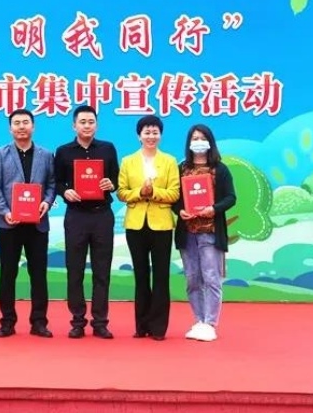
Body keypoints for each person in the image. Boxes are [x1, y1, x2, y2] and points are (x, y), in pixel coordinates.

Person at [53, 105, 119, 340]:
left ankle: (100, 322)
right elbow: (56, 181)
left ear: (96, 125)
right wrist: (65, 191)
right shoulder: (63, 152)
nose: (87, 125)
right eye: (82, 122)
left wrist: (111, 184)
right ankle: (78, 321)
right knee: (75, 271)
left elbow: (116, 178)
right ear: (74, 125)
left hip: (102, 215)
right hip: (76, 216)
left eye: (91, 122)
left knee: (102, 271)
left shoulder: (108, 148)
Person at [0, 109, 56, 338]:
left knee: (39, 275)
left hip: (37, 224)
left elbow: (52, 184)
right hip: (10, 224)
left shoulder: (46, 154)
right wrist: (5, 211)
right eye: (16, 123)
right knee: (8, 274)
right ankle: (7, 322)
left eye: (25, 122)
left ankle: (39, 322)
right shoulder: (1, 153)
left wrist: (47, 202)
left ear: (33, 126)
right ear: (10, 128)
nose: (21, 126)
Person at [116, 115, 180, 341]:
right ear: (139, 136)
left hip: (161, 224)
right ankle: (141, 326)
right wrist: (139, 193)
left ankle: (159, 327)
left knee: (161, 276)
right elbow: (121, 192)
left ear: (160, 135)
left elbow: (174, 193)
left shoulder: (170, 161)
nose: (151, 136)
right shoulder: (128, 161)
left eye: (155, 132)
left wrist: (153, 192)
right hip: (135, 224)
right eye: (147, 132)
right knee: (141, 275)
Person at [173, 124, 236, 342]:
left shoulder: (220, 169)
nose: (198, 142)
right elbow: (175, 198)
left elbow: (230, 198)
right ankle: (199, 320)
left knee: (211, 278)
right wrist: (179, 211)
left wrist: (213, 209)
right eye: (194, 138)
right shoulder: (182, 168)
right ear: (189, 143)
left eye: (202, 138)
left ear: (210, 141)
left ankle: (210, 323)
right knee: (192, 279)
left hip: (210, 231)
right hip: (188, 232)